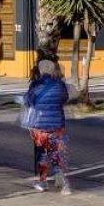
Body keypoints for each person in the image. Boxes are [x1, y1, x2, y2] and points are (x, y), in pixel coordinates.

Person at [22, 57, 71, 194]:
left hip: (40, 125)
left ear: (40, 70)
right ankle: (60, 178)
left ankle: (43, 181)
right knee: (56, 152)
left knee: (42, 153)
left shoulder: (36, 85)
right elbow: (65, 99)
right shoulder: (60, 84)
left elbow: (28, 100)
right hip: (57, 124)